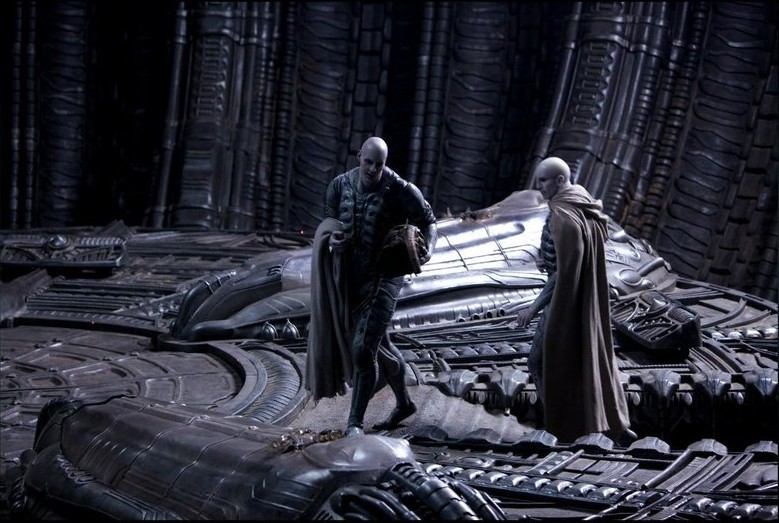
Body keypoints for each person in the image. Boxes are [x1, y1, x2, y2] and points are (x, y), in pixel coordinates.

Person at [306, 136, 437, 437]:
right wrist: (332, 239)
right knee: (382, 346)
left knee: (363, 350)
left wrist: (427, 250)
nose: (373, 169)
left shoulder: (401, 189)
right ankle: (404, 404)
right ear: (359, 156)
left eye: (379, 164)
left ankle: (354, 423)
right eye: (368, 162)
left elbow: (429, 221)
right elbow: (329, 223)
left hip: (385, 276)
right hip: (351, 277)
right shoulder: (339, 185)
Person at [516, 156, 634, 444]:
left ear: (560, 180)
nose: (539, 187)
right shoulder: (582, 202)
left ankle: (560, 426)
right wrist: (550, 259)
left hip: (564, 302)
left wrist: (532, 309)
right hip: (582, 298)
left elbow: (564, 274)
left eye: (544, 181)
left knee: (540, 362)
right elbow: (571, 258)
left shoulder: (563, 216)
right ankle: (608, 424)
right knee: (588, 357)